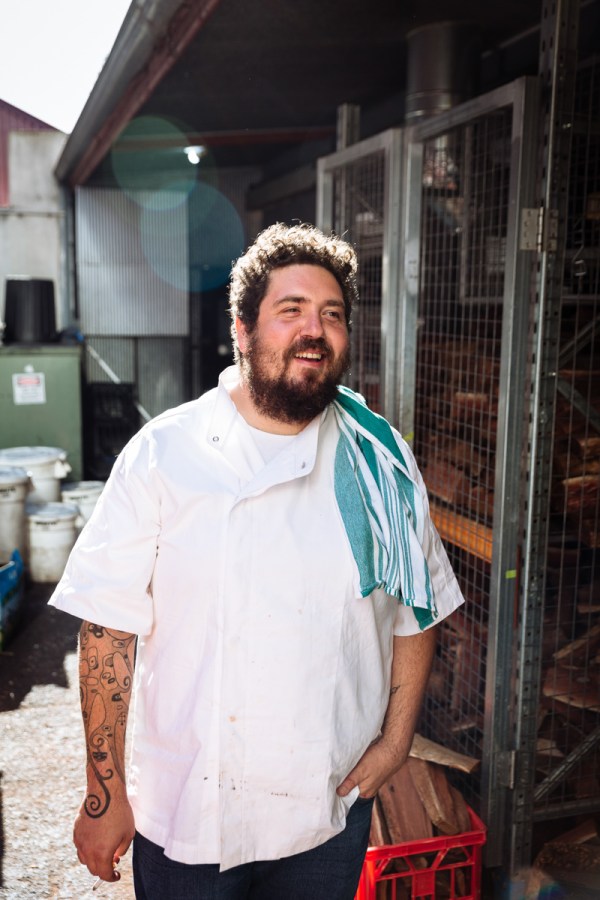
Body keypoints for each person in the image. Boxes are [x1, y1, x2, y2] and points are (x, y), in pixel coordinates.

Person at [49, 222, 464, 900]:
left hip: (324, 811)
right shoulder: (166, 453)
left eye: (332, 314)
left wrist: (396, 742)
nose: (315, 330)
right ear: (242, 330)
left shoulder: (379, 458)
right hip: (190, 814)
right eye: (291, 310)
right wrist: (104, 794)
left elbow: (417, 608)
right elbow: (107, 629)